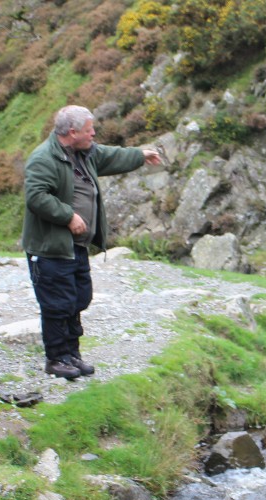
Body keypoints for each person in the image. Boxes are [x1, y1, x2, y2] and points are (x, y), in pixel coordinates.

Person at [23, 105, 162, 379]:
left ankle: (72, 353)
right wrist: (68, 216)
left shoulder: (84, 152)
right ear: (72, 132)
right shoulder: (43, 158)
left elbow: (111, 155)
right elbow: (36, 197)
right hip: (51, 247)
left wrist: (140, 155)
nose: (94, 133)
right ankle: (56, 358)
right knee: (57, 303)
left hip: (76, 246)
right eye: (89, 130)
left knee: (78, 298)